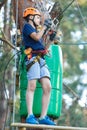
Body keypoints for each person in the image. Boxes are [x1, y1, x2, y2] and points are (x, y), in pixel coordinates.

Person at [22, 7, 56, 125]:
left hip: (41, 59)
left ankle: (43, 116)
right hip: (32, 59)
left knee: (48, 87)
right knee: (32, 86)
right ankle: (30, 115)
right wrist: (45, 27)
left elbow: (43, 48)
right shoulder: (27, 27)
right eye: (37, 17)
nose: (39, 20)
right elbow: (36, 37)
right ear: (30, 17)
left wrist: (51, 39)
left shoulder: (37, 30)